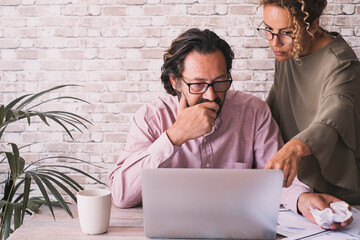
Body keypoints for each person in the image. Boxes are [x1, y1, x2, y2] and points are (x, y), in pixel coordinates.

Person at [109, 28, 350, 229]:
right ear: (175, 82)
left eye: (219, 81)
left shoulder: (254, 113)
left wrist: (302, 199)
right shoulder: (152, 118)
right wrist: (174, 136)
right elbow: (121, 194)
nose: (211, 95)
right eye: (198, 84)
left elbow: (276, 178)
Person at [256, 0, 359, 227]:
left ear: (312, 25)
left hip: (336, 190)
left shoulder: (342, 64)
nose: (275, 42)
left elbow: (335, 112)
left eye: (286, 32)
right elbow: (276, 104)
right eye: (269, 30)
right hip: (298, 191)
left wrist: (293, 147)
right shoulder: (288, 50)